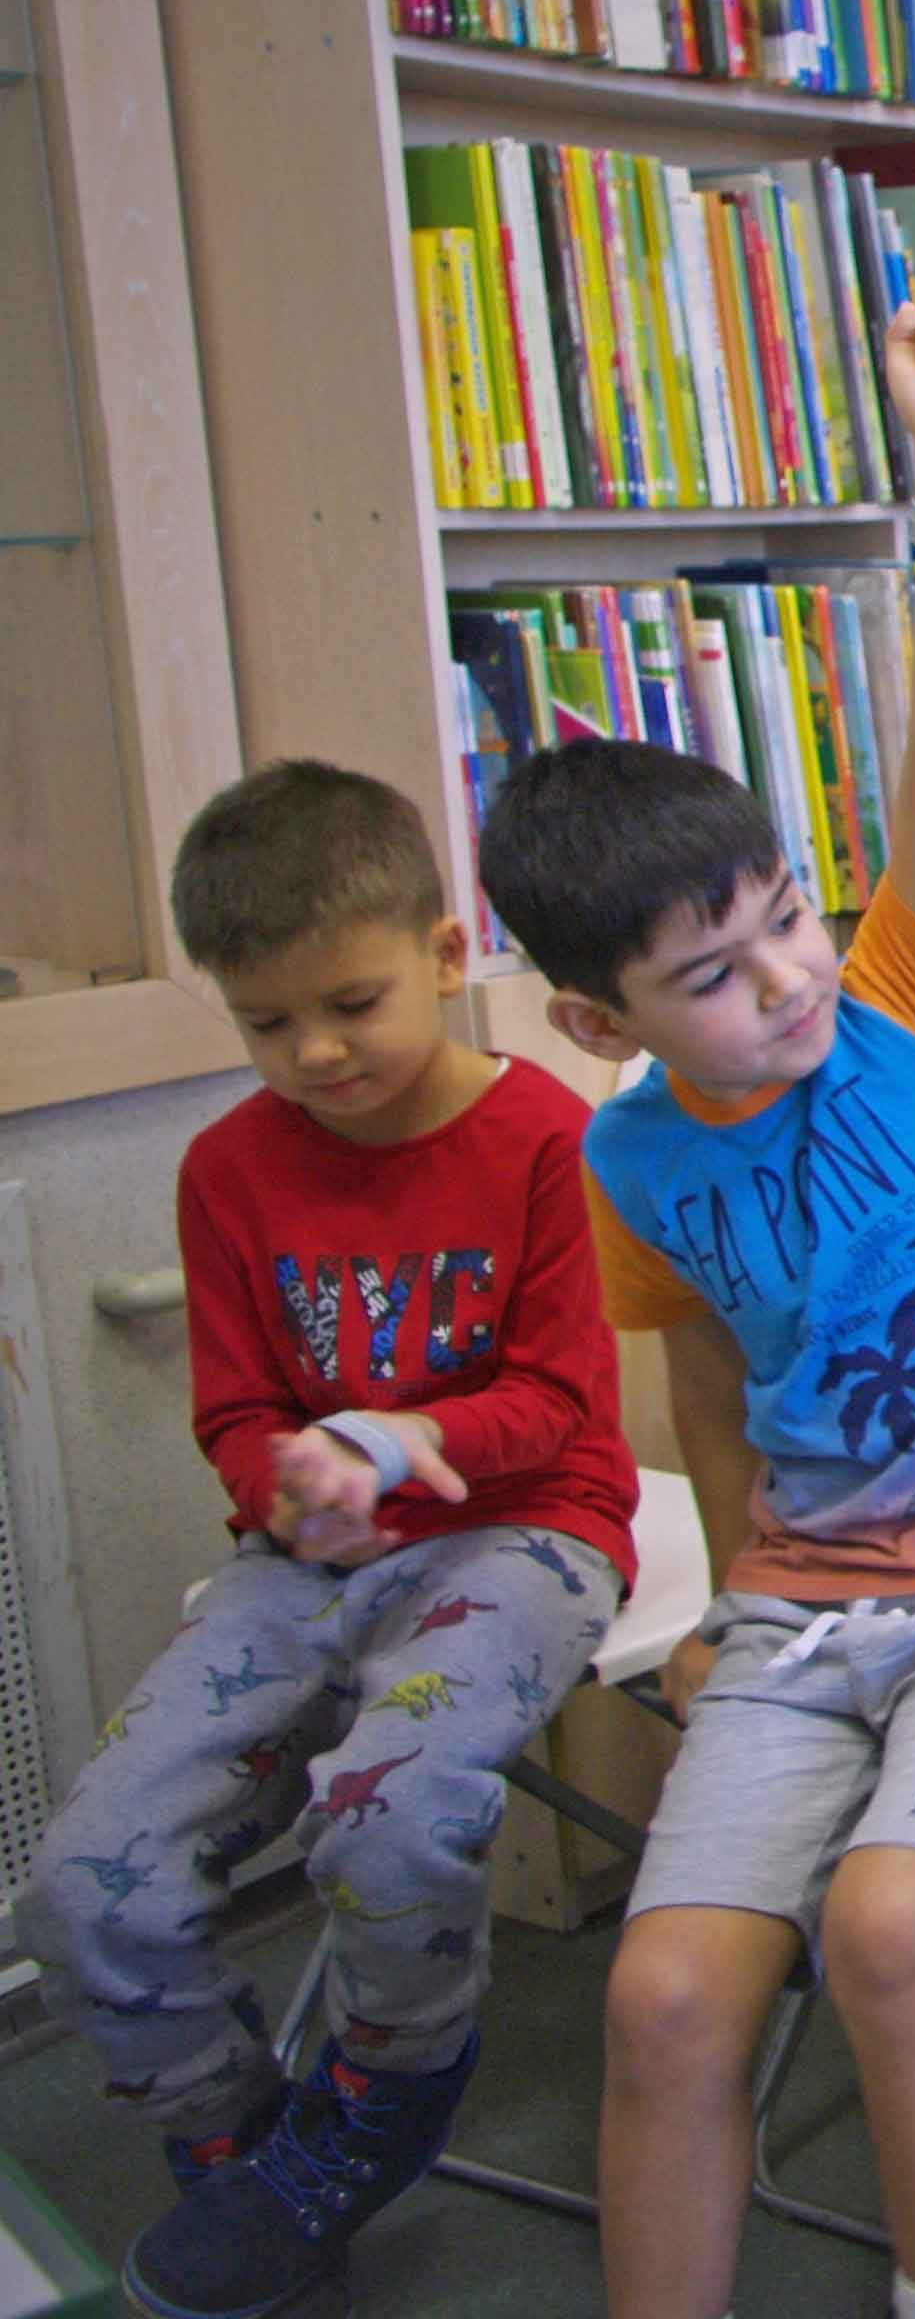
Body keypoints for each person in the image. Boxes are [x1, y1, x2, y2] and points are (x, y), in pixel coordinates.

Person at [480, 309, 915, 2319]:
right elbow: (710, 1373)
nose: (782, 977)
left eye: (781, 912)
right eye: (711, 972)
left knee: (893, 1925)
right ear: (598, 1018)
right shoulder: (631, 1161)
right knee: (664, 1996)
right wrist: (726, 1594)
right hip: (807, 1602)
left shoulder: (913, 993)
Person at [15, 762, 634, 2319]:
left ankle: (382, 2095)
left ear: (445, 951)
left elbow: (561, 1401)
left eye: (351, 1005)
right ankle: (242, 2144)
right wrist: (286, 1482)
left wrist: (401, 1440)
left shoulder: (545, 1137)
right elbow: (236, 1411)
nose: (313, 1054)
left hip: (526, 1532)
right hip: (310, 1560)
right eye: (266, 1024)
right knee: (84, 1879)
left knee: (391, 1815)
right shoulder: (230, 1167)